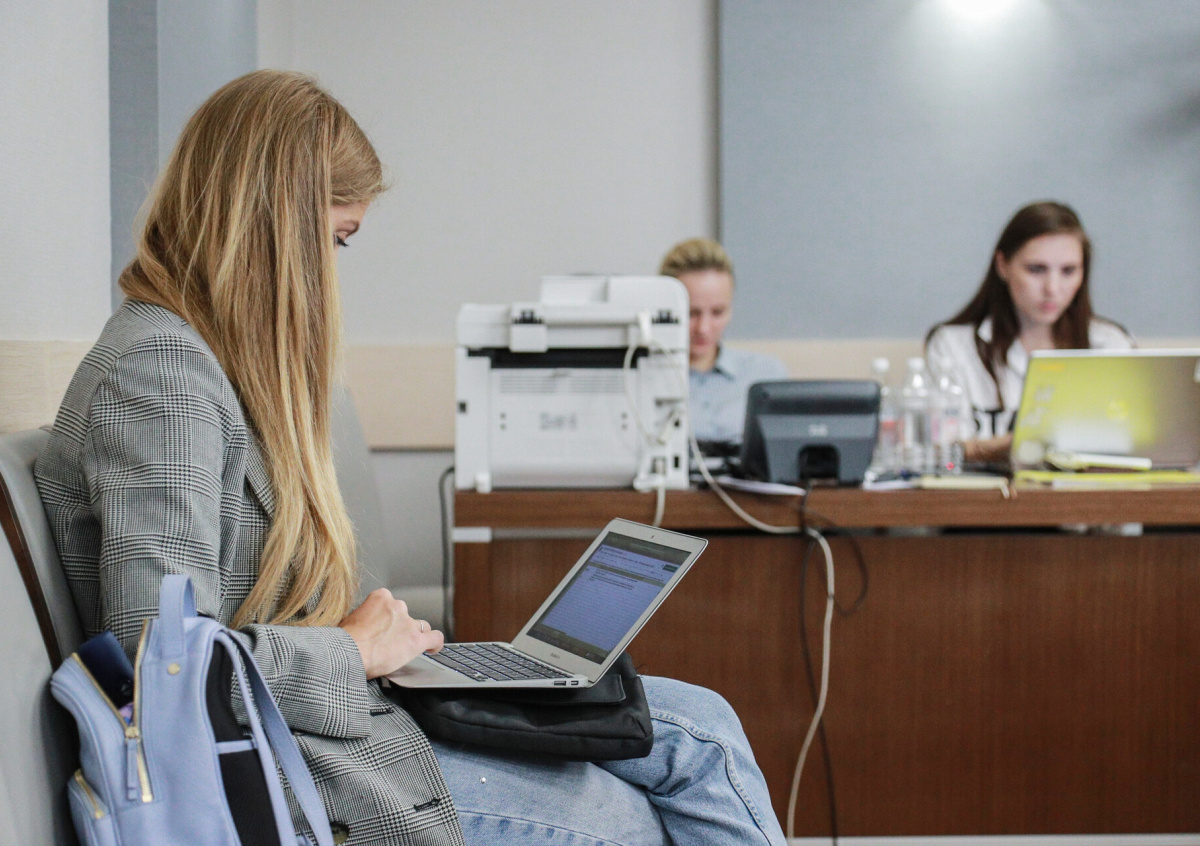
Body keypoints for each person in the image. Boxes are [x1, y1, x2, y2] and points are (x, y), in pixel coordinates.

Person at [35, 70, 785, 846]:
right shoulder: (161, 372)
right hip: (292, 772)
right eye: (336, 239)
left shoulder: (207, 362)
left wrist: (375, 640)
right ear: (274, 228)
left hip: (328, 721)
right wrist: (353, 648)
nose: (332, 273)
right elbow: (162, 667)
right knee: (630, 817)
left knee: (704, 727)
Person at [925, 201, 1133, 464]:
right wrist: (1026, 442)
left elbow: (1134, 440)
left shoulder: (1109, 344)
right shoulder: (953, 346)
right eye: (1036, 269)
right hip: (985, 490)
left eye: (1069, 271)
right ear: (1003, 265)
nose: (1052, 289)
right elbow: (941, 451)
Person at [659, 238, 788, 444]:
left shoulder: (766, 374)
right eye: (691, 313)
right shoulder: (641, 378)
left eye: (717, 312)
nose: (703, 328)